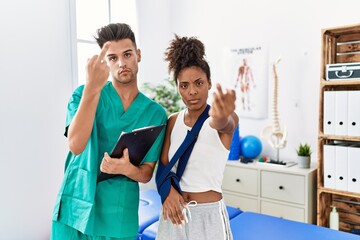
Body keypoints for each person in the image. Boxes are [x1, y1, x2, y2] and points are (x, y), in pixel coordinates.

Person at [51, 23, 167, 240]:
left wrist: (125, 168)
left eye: (127, 54)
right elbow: (76, 145)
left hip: (118, 216)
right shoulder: (83, 95)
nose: (122, 63)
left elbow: (146, 173)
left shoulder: (155, 113)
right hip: (75, 207)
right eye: (113, 58)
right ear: (105, 62)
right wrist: (92, 88)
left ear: (138, 55)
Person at [155, 35, 239, 240]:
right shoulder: (173, 121)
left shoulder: (223, 119)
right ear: (177, 87)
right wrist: (168, 193)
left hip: (208, 217)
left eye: (198, 83)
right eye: (184, 85)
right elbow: (164, 165)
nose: (192, 91)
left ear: (209, 83)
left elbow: (222, 124)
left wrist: (221, 116)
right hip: (173, 212)